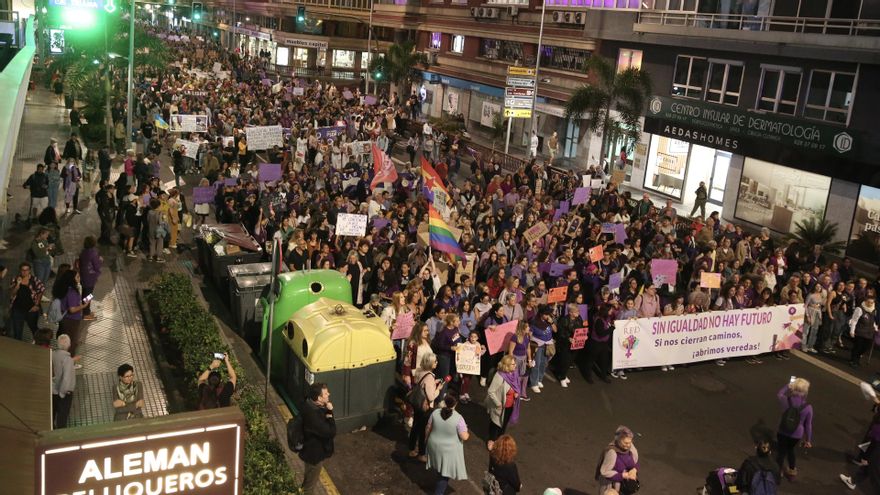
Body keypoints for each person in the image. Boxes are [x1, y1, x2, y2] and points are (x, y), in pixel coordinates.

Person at [426, 394, 469, 495]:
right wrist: (467, 431)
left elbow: (428, 427)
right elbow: (464, 437)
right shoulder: (459, 418)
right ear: (455, 404)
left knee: (439, 468)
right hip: (448, 452)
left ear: (445, 402)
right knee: (444, 474)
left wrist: (425, 440)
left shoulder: (435, 412)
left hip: (434, 446)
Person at [299, 382, 336, 495]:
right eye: (326, 393)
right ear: (319, 398)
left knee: (308, 480)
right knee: (309, 486)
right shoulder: (313, 416)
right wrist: (330, 413)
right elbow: (331, 432)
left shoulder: (308, 404)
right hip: (314, 456)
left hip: (309, 451)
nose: (329, 394)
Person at [775, 378, 813, 482]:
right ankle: (792, 472)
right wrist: (808, 440)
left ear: (793, 388)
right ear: (805, 391)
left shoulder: (785, 400)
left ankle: (778, 472)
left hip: (783, 430)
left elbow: (779, 393)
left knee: (781, 452)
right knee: (791, 450)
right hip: (796, 434)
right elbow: (808, 425)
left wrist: (788, 385)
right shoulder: (808, 407)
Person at [409, 352, 442, 462]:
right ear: (430, 363)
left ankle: (412, 449)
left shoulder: (419, 371)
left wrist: (433, 383)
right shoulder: (429, 377)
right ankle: (421, 453)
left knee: (415, 427)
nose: (437, 363)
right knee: (423, 430)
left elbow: (421, 383)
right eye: (435, 361)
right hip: (425, 407)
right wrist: (438, 389)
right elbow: (431, 397)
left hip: (416, 403)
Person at [485, 355, 522, 451]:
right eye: (513, 364)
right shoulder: (500, 376)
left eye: (515, 364)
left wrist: (517, 393)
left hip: (510, 405)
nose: (515, 366)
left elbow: (517, 385)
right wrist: (498, 403)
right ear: (506, 366)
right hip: (499, 406)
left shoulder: (514, 373)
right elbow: (491, 391)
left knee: (504, 424)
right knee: (495, 424)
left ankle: (499, 441)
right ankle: (491, 440)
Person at [54, 269, 90, 358]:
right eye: (77, 277)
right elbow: (72, 310)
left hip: (64, 317)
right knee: (71, 341)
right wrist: (84, 305)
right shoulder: (72, 292)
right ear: (72, 279)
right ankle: (69, 360)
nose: (79, 278)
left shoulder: (64, 288)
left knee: (65, 339)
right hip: (71, 320)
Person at [735, 425, 781, 493]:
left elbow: (740, 483)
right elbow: (777, 482)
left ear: (756, 449)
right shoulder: (775, 466)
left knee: (731, 489)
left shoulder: (749, 463)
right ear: (770, 452)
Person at [596, 426, 640, 495]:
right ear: (618, 440)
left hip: (623, 485)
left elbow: (635, 462)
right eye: (625, 443)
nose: (628, 445)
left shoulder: (631, 448)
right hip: (611, 485)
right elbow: (605, 472)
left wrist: (634, 470)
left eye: (630, 442)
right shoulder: (612, 452)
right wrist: (622, 475)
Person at [9, 262, 44, 341]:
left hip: (31, 309)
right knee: (17, 332)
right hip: (17, 309)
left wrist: (36, 305)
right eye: (23, 270)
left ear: (29, 270)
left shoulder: (34, 280)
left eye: (26, 270)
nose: (24, 272)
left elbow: (41, 290)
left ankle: (39, 343)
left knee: (34, 329)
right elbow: (12, 294)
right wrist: (17, 284)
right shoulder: (15, 279)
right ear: (20, 270)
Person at [52, 334, 76, 429]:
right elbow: (66, 379)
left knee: (53, 413)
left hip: (53, 389)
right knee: (62, 417)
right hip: (64, 392)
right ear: (69, 344)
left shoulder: (53, 354)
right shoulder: (68, 360)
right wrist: (62, 393)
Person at [849, 294, 878, 368]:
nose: (870, 304)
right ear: (865, 301)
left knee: (866, 347)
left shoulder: (874, 310)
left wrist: (875, 327)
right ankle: (854, 360)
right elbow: (854, 320)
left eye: (871, 302)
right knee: (858, 347)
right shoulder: (859, 309)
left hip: (869, 333)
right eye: (868, 302)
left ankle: (857, 357)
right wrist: (852, 331)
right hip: (860, 332)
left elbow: (872, 321)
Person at [78, 236, 101, 321]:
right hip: (90, 278)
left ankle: (85, 310)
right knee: (88, 295)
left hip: (84, 276)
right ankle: (86, 314)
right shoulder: (93, 253)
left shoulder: (83, 252)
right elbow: (97, 266)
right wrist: (100, 260)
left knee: (85, 294)